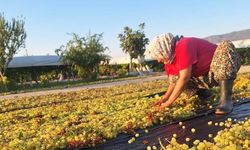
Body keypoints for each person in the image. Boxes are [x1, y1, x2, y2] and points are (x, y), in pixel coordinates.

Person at [144, 33, 241, 115]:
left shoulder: (184, 44)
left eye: (158, 55)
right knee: (176, 79)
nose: (158, 59)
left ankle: (226, 99)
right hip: (208, 76)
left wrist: (168, 103)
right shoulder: (169, 60)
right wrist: (164, 99)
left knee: (225, 46)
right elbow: (173, 83)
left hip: (225, 64)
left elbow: (184, 78)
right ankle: (206, 95)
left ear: (163, 49)